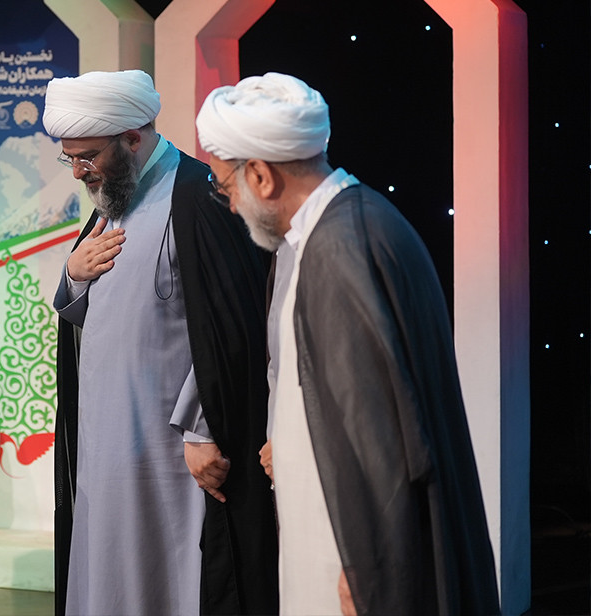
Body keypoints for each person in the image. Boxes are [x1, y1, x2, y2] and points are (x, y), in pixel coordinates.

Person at [195, 72, 501, 616]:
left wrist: (371, 567)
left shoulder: (340, 247)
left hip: (350, 550)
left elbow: (378, 433)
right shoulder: (344, 224)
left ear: (260, 175)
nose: (232, 205)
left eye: (226, 186)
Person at [43, 70, 278, 616]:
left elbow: (235, 326)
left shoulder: (200, 196)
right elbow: (100, 314)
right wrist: (73, 276)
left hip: (169, 450)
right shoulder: (114, 196)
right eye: (69, 158)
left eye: (87, 157)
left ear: (132, 137)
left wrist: (203, 428)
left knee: (167, 579)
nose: (77, 172)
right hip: (105, 442)